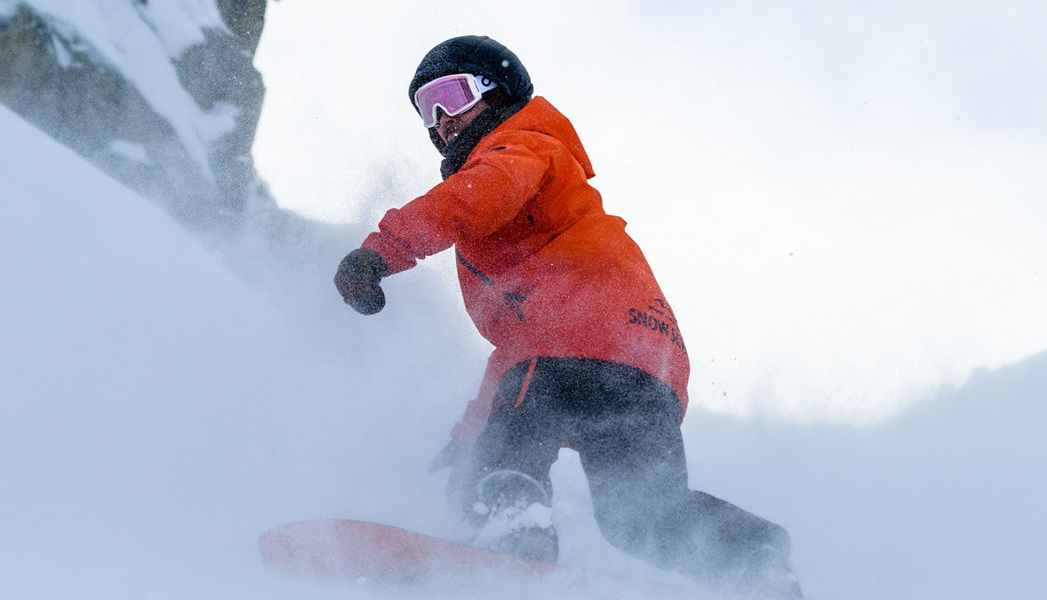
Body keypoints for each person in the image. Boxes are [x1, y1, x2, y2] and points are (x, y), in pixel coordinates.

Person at [329, 35, 799, 597]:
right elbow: (513, 352)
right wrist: (469, 433)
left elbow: (470, 202)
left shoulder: (520, 148)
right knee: (640, 517)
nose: (440, 123)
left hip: (574, 344)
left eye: (450, 97)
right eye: (425, 111)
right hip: (647, 367)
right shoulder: (527, 196)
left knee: (515, 436)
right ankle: (754, 560)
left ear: (496, 93)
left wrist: (381, 251)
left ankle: (518, 524)